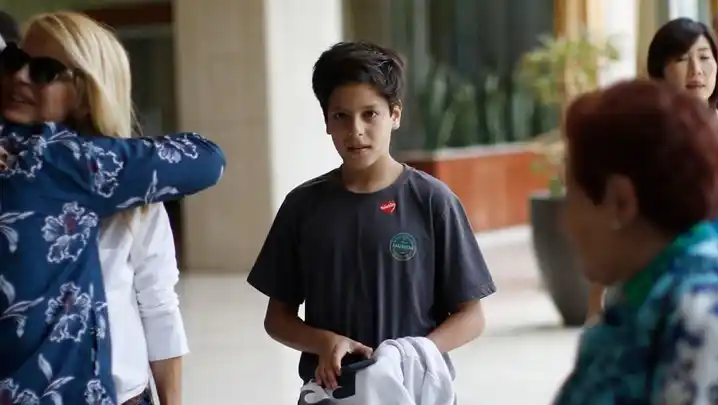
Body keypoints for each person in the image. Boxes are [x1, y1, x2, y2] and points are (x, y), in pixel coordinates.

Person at [247, 41, 496, 396]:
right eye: (341, 116)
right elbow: (278, 319)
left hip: (414, 391)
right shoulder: (302, 207)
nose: (356, 130)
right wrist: (324, 342)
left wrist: (412, 354)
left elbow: (471, 316)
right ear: (326, 121)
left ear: (395, 115)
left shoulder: (433, 201)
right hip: (332, 393)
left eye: (370, 114)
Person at [0, 14, 226, 405]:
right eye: (14, 62)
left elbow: (158, 304)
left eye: (44, 71)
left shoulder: (118, 178)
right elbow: (208, 159)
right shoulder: (42, 163)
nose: (20, 77)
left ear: (85, 91)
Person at [554, 79, 718, 404]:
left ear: (621, 202)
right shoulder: (641, 299)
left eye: (572, 197)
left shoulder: (701, 315)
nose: (565, 224)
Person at [586, 17, 718, 322]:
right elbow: (615, 219)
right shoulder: (642, 138)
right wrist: (596, 299)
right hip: (654, 286)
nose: (696, 70)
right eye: (682, 59)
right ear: (659, 69)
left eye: (704, 57)